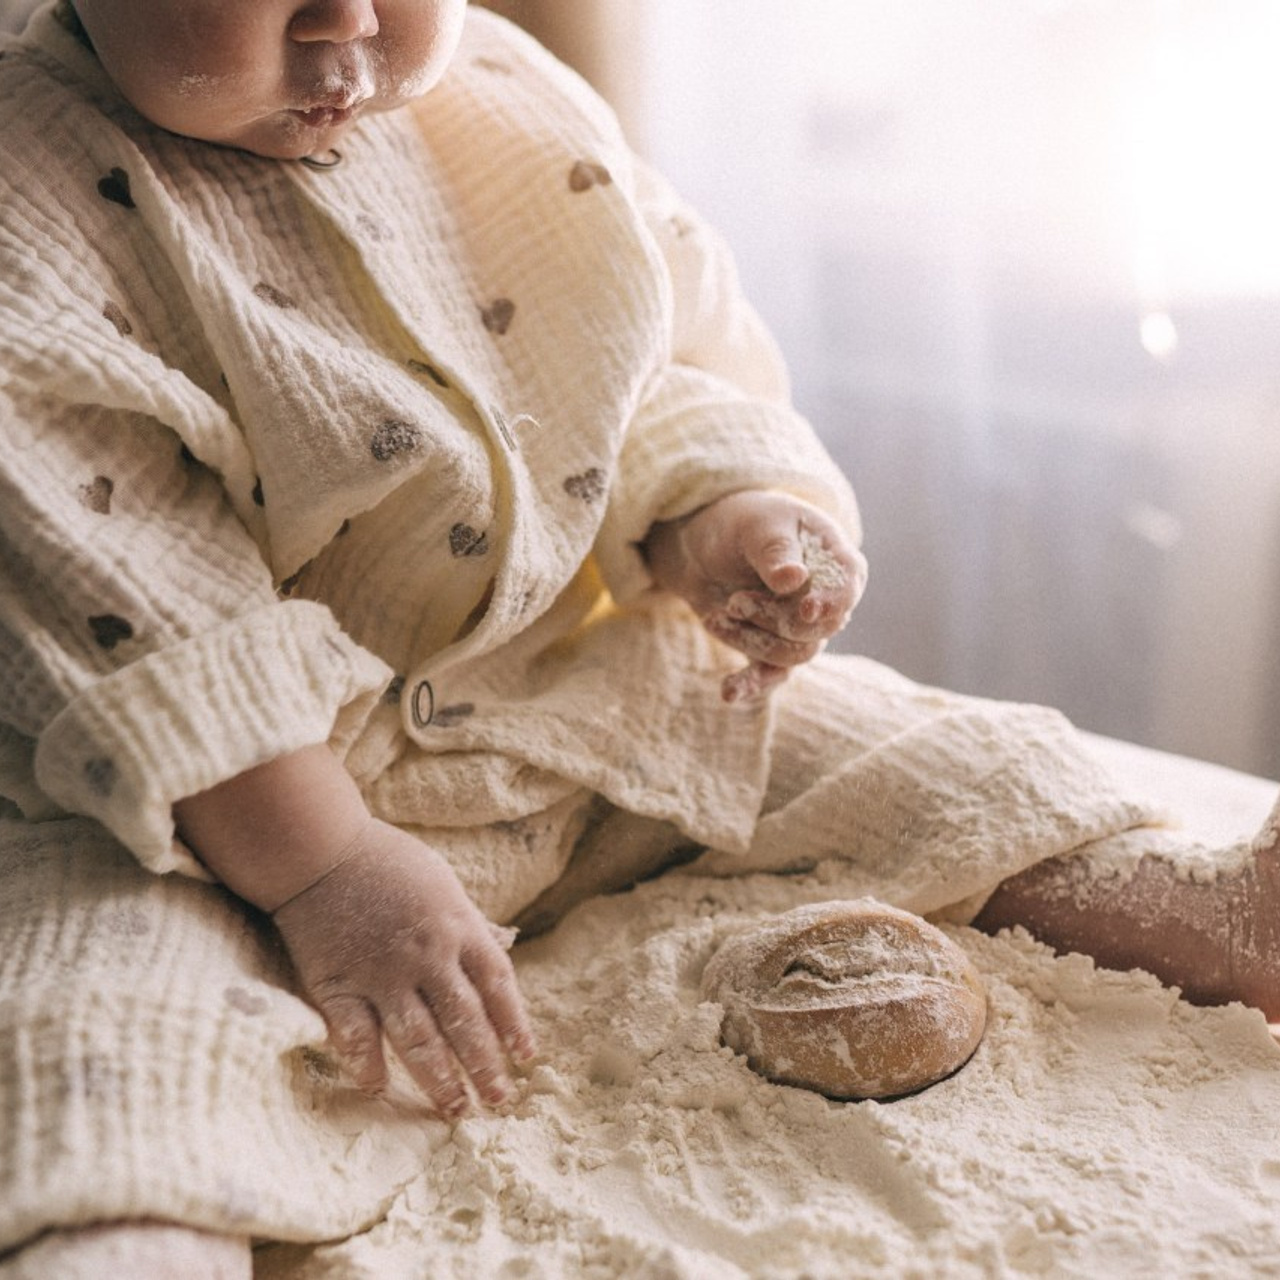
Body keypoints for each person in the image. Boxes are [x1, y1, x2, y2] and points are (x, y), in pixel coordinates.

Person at [0, 1, 1275, 1275]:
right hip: (223, 814)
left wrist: (716, 511)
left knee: (889, 744)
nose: (348, 23)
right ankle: (126, 1235)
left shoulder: (501, 101)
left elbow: (635, 364)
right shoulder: (27, 203)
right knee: (107, 1018)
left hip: (555, 698)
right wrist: (328, 867)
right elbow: (133, 603)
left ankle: (1193, 908)